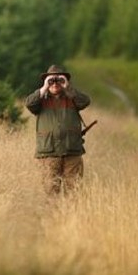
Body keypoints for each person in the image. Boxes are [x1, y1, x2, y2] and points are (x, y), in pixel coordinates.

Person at [25, 64, 91, 194]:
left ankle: (70, 215)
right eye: (51, 80)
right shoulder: (40, 100)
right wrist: (44, 88)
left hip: (72, 153)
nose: (55, 84)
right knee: (51, 192)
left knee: (73, 192)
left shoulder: (72, 98)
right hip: (49, 154)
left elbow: (85, 101)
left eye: (59, 80)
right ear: (46, 82)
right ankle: (54, 215)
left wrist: (68, 88)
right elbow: (29, 103)